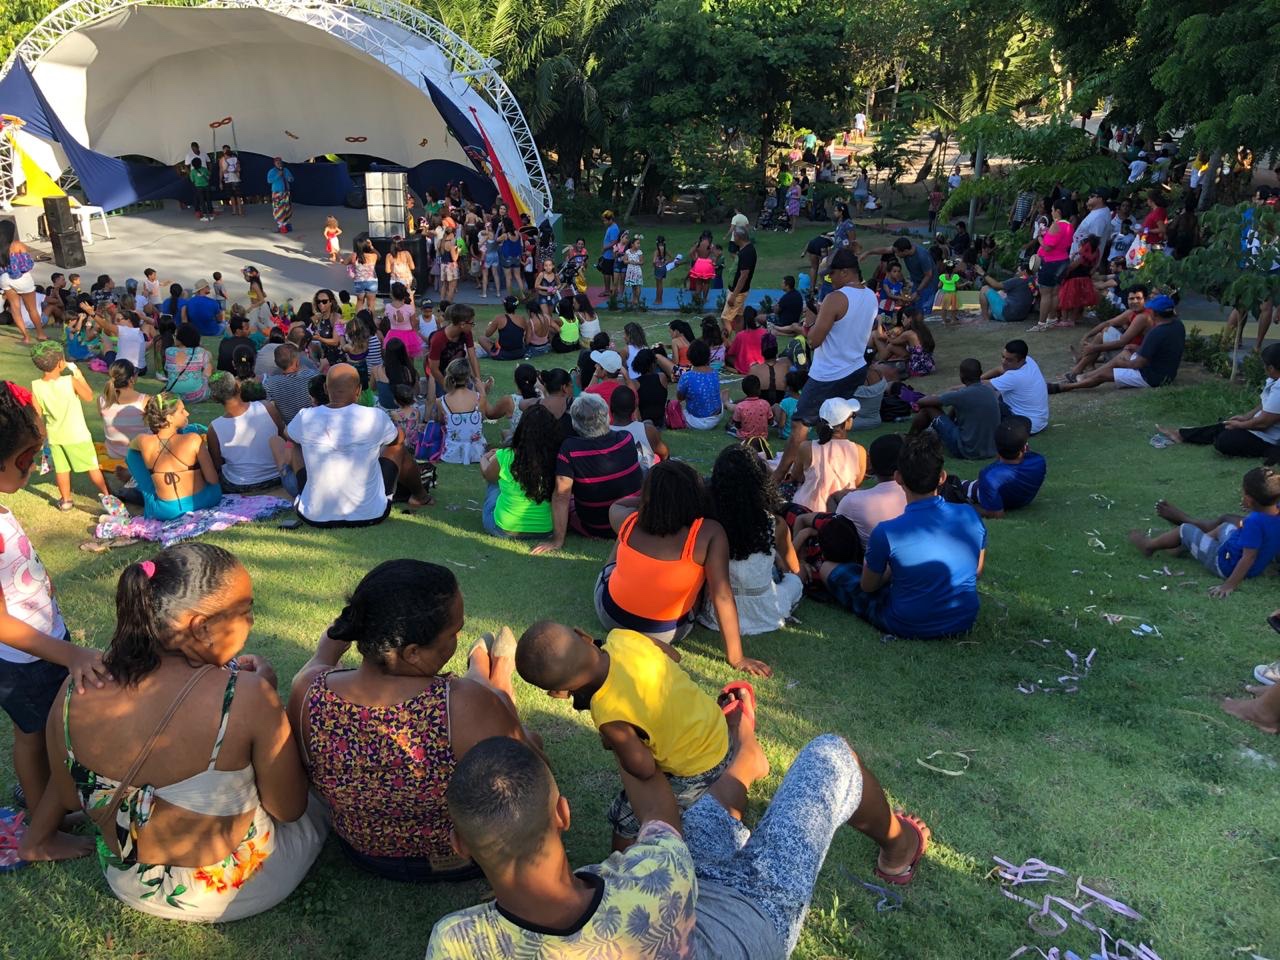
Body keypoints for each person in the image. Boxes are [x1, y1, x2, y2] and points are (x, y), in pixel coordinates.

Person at [425, 724, 928, 959]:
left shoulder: (453, 943)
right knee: (830, 755)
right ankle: (900, 846)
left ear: (459, 844)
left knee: (706, 815)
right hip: (746, 924)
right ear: (563, 814)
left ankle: (745, 761)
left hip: (682, 892)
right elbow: (660, 814)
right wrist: (624, 741)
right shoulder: (652, 876)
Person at [19, 544, 327, 920]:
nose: (250, 622)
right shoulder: (246, 697)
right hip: (234, 891)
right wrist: (267, 701)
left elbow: (69, 794)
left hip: (128, 881)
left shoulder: (74, 688)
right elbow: (289, 809)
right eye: (246, 611)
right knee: (317, 800)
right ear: (200, 627)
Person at [287, 561, 537, 881]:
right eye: (454, 632)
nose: (458, 636)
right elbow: (528, 782)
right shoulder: (460, 703)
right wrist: (499, 706)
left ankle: (485, 671)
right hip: (460, 857)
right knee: (527, 734)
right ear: (413, 653)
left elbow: (320, 660)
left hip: (364, 853)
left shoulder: (308, 690)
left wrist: (332, 644)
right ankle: (498, 679)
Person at [517, 618, 739, 852]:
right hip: (716, 726)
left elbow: (644, 769)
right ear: (583, 636)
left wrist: (612, 742)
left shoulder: (608, 713)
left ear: (559, 691)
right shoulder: (622, 637)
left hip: (699, 766)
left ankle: (621, 860)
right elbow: (674, 656)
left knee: (625, 817)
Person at [0, 381, 110, 841]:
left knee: (46, 728)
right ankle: (43, 831)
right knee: (35, 734)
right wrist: (71, 654)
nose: (34, 466)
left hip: (41, 644)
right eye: (28, 458)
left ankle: (49, 801)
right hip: (23, 659)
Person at [589, 460, 771, 674]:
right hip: (666, 632)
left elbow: (618, 504)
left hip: (612, 617)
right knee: (700, 573)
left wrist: (654, 499)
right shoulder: (709, 533)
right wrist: (737, 658)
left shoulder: (626, 518)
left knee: (624, 537)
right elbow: (722, 595)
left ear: (647, 496)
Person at [818, 432, 987, 639]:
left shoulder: (887, 532)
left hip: (906, 623)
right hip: (963, 619)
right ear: (942, 477)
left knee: (828, 568)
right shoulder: (969, 514)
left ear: (898, 478)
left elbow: (868, 586)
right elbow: (976, 571)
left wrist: (891, 570)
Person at [774, 249, 877, 482]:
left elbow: (813, 341)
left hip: (829, 372)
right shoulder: (871, 296)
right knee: (834, 422)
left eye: (831, 276)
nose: (829, 281)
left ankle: (781, 475)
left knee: (800, 424)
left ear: (845, 272)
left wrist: (808, 324)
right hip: (855, 367)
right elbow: (847, 324)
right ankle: (833, 469)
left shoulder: (835, 298)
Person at [286, 364, 432, 525]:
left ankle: (307, 494)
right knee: (397, 447)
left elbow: (287, 434)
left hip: (314, 515)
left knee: (295, 442)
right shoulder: (375, 416)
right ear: (359, 390)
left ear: (326, 389)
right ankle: (420, 496)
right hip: (370, 514)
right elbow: (397, 440)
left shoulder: (305, 416)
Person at [1128, 467, 1280, 599]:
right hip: (1245, 557)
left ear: (1248, 500)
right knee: (1224, 526)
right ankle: (1186, 547)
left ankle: (1149, 546)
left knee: (1185, 529)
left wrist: (1228, 585)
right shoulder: (1275, 511)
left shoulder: (1254, 522)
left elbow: (1249, 557)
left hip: (1225, 564)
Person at [699, 445, 803, 634]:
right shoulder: (775, 524)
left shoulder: (707, 520)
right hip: (765, 611)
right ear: (761, 482)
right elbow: (794, 567)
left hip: (716, 612)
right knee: (795, 581)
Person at [533, 394, 643, 553]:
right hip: (629, 520)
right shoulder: (626, 438)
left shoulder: (570, 449)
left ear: (575, 423)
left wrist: (557, 541)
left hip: (596, 526)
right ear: (607, 416)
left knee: (564, 498)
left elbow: (561, 496)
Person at [29, 343, 113, 510]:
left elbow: (37, 413)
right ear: (61, 363)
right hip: (78, 435)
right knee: (92, 467)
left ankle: (66, 500)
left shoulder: (36, 385)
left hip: (55, 436)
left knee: (62, 470)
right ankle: (108, 497)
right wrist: (79, 375)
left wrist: (41, 436)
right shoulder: (70, 381)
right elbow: (88, 396)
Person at [1157, 343, 1280, 457]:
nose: (1263, 368)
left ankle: (1270, 451)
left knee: (1224, 440)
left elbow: (1263, 424)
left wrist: (1241, 425)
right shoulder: (1274, 379)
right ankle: (1181, 434)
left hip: (1268, 438)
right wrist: (1246, 417)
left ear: (1271, 368)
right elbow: (1265, 404)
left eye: (1264, 365)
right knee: (1225, 426)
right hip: (1260, 429)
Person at [1050, 297, 1185, 393]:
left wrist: (1122, 363)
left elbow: (1138, 364)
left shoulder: (1156, 332)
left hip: (1151, 377)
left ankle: (1065, 387)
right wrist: (1138, 348)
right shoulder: (1178, 325)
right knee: (1125, 353)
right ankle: (1085, 376)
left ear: (1155, 313)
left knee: (1104, 375)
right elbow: (1163, 349)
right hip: (1167, 372)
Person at [127, 393, 223, 520]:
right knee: (214, 485)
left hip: (165, 511)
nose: (187, 413)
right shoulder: (193, 439)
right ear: (169, 418)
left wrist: (148, 480)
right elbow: (213, 480)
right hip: (202, 502)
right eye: (182, 411)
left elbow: (131, 454)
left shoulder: (142, 441)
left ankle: (150, 491)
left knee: (133, 457)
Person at [479, 405, 559, 539]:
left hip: (504, 529)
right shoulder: (557, 457)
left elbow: (488, 475)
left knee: (494, 482)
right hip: (545, 529)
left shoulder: (506, 455)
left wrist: (484, 457)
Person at [943, 416, 1047, 519]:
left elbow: (996, 514)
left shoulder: (990, 476)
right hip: (1021, 500)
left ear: (997, 449)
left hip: (978, 492)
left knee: (949, 487)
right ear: (1025, 448)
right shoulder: (1039, 461)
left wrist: (965, 506)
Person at [206, 373, 288, 493]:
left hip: (240, 484)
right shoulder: (267, 407)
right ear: (238, 386)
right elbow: (284, 438)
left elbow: (217, 464)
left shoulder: (214, 428)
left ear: (214, 398)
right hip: (278, 476)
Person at [786, 398, 867, 512]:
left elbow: (796, 476)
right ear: (847, 422)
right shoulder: (859, 451)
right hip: (842, 512)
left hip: (807, 509)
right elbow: (857, 482)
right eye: (853, 416)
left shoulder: (806, 447)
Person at [910, 358, 1001, 460]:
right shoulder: (990, 390)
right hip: (990, 450)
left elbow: (922, 402)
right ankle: (932, 433)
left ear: (961, 376)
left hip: (968, 451)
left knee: (928, 409)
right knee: (955, 405)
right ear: (980, 373)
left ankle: (910, 439)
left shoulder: (962, 394)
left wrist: (929, 398)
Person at [1064, 286, 1155, 381]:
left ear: (1145, 300)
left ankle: (1079, 369)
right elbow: (1108, 323)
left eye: (1138, 298)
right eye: (1131, 299)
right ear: (1127, 300)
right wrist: (1087, 335)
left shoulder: (1143, 317)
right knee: (1104, 331)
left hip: (1136, 356)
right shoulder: (1131, 312)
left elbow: (1122, 342)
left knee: (1103, 335)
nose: (1135, 301)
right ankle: (1082, 366)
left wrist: (1093, 348)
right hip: (1129, 349)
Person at [981, 339, 1049, 434]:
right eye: (1003, 357)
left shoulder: (1014, 376)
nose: (1004, 362)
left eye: (1009, 360)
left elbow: (978, 386)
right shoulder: (1029, 361)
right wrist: (980, 378)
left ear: (1021, 360)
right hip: (1039, 422)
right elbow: (999, 369)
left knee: (983, 399)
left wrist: (960, 387)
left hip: (1025, 426)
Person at [433, 357, 489, 466]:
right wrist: (483, 391)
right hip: (477, 452)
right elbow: (482, 418)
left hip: (452, 452)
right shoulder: (479, 398)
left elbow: (441, 421)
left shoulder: (441, 401)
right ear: (468, 376)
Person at [1030, 199, 1075, 330]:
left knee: (1045, 293)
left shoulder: (1057, 225)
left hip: (1050, 262)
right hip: (1063, 260)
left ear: (1058, 211)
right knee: (1055, 292)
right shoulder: (1069, 225)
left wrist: (1040, 237)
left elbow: (1047, 246)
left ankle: (1041, 323)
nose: (1051, 212)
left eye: (1052, 210)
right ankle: (1051, 318)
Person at [98, 360, 149, 475]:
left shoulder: (101, 400)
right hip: (139, 453)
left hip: (113, 452)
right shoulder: (145, 400)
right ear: (131, 379)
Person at [609, 386, 667, 472]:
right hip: (644, 478)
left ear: (610, 407)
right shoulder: (648, 430)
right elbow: (665, 455)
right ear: (635, 406)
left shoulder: (601, 434)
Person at [427, 303, 482, 388]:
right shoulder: (438, 339)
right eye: (472, 323)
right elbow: (434, 369)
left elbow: (473, 357)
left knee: (468, 391)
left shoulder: (466, 333)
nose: (472, 326)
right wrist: (448, 388)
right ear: (462, 324)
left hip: (458, 371)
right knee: (446, 395)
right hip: (441, 374)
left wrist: (478, 381)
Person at [676, 340, 724, 430]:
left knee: (675, 407)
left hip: (698, 421)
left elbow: (680, 398)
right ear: (708, 356)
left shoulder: (687, 377)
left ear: (689, 357)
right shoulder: (714, 372)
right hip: (717, 416)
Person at [262, 343, 314, 426]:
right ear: (297, 362)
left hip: (290, 428)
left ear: (276, 363)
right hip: (312, 423)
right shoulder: (312, 376)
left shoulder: (269, 384)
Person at [164, 323, 214, 403]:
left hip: (173, 395)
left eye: (175, 335)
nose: (174, 337)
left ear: (181, 338)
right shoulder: (201, 352)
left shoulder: (168, 351)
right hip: (197, 395)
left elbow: (167, 372)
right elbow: (208, 373)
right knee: (208, 358)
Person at [726, 375, 773, 455]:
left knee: (729, 426)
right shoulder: (765, 403)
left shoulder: (740, 406)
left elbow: (737, 425)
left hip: (745, 437)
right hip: (763, 437)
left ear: (744, 390)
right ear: (759, 389)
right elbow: (770, 421)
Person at [722, 227, 757, 332]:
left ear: (739, 237)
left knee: (726, 319)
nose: (733, 238)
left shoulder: (746, 253)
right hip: (739, 291)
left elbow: (743, 276)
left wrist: (733, 296)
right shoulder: (745, 249)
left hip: (738, 292)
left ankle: (726, 341)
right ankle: (741, 339)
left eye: (734, 236)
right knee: (738, 317)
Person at [479, 295, 528, 361]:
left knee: (481, 339)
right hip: (519, 353)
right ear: (516, 306)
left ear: (505, 306)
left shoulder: (499, 318)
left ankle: (493, 353)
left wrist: (490, 325)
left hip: (503, 354)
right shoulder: (522, 319)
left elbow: (487, 334)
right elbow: (524, 335)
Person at [382, 282, 423, 361]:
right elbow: (413, 324)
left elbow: (386, 319)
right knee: (409, 359)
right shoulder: (409, 308)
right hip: (408, 336)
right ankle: (410, 369)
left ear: (392, 294)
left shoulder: (387, 307)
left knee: (395, 358)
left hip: (393, 335)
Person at [725, 309, 768, 375]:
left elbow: (730, 353)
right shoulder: (765, 332)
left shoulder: (740, 335)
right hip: (762, 366)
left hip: (745, 368)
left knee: (727, 355)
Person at [267, 157, 295, 233]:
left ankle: (286, 224)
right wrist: (278, 175)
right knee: (278, 209)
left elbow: (292, 178)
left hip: (286, 192)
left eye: (280, 162)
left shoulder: (285, 170)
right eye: (277, 163)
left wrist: (290, 178)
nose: (279, 164)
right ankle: (280, 225)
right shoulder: (272, 171)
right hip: (277, 193)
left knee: (286, 208)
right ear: (274, 163)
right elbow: (269, 180)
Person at [217, 144, 244, 216]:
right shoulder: (221, 160)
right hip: (227, 179)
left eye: (227, 150)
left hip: (235, 179)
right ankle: (234, 210)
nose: (226, 151)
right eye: (225, 150)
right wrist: (220, 181)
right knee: (231, 195)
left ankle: (240, 211)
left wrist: (235, 170)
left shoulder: (235, 158)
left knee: (238, 195)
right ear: (223, 151)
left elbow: (239, 168)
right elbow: (221, 171)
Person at [600, 210, 620, 295]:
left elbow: (614, 242)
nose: (604, 222)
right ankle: (614, 290)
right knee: (610, 272)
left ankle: (607, 291)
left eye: (605, 220)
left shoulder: (614, 229)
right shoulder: (610, 227)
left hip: (610, 255)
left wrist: (605, 248)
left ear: (610, 219)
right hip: (608, 254)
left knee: (607, 273)